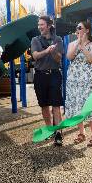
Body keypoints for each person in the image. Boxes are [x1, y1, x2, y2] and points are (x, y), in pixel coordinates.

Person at [65, 21, 92, 146]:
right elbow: (69, 57)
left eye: (80, 27)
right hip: (74, 79)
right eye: (77, 28)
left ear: (87, 30)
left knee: (89, 104)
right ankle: (81, 133)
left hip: (87, 79)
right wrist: (77, 43)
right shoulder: (71, 44)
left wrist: (83, 46)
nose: (77, 29)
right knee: (77, 104)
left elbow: (91, 59)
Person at [31, 15, 64, 146]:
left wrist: (53, 51)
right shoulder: (35, 40)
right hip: (40, 76)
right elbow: (35, 56)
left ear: (49, 26)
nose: (39, 27)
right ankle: (49, 129)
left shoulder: (58, 39)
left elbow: (58, 59)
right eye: (38, 25)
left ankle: (58, 134)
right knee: (44, 105)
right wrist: (46, 51)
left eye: (42, 25)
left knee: (56, 105)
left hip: (54, 75)